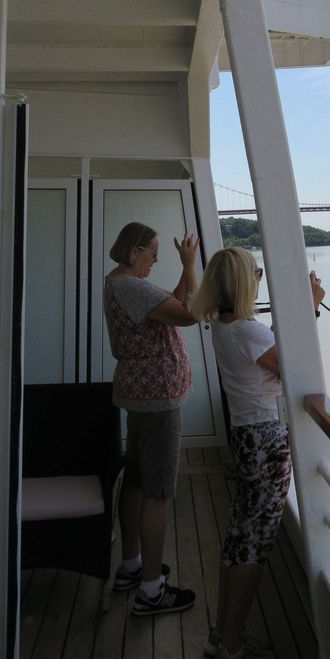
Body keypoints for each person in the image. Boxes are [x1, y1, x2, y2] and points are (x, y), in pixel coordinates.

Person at [189, 248, 325, 659]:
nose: (262, 277)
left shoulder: (225, 326)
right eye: (257, 272)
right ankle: (231, 652)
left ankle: (223, 634)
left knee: (238, 538)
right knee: (254, 546)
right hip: (266, 441)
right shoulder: (248, 332)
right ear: (244, 283)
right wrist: (311, 307)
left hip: (246, 438)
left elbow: (270, 355)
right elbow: (294, 369)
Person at [103, 221, 199, 616]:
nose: (157, 259)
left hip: (139, 395)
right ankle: (151, 590)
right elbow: (189, 313)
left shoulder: (121, 283)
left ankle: (131, 566)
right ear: (133, 252)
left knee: (138, 480)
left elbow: (173, 301)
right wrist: (191, 264)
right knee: (158, 490)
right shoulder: (130, 285)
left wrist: (182, 271)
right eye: (153, 252)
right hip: (157, 399)